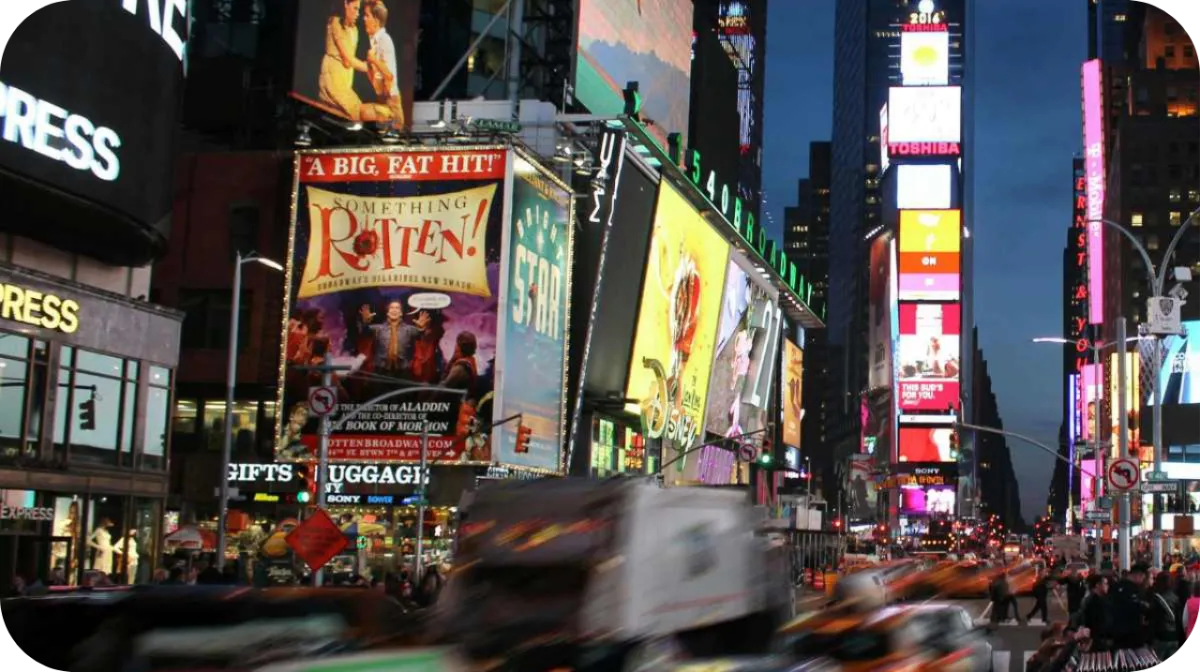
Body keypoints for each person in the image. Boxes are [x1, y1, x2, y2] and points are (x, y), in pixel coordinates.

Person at [1108, 562, 1150, 650]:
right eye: (1143, 577)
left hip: (1117, 632)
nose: (1143, 580)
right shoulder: (1135, 589)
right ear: (1138, 575)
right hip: (1133, 634)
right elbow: (1138, 607)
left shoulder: (1115, 586)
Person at [1148, 571, 1181, 666]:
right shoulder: (1176, 598)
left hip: (1160, 637)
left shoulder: (1157, 598)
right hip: (1174, 637)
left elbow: (1153, 619)